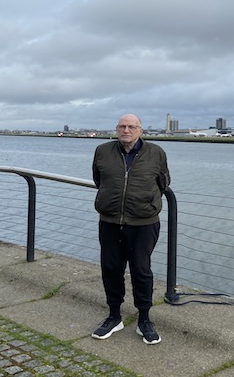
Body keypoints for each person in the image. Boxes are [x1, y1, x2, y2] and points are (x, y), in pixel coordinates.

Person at [90, 113, 170, 344]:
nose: (127, 130)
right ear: (116, 129)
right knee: (111, 268)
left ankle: (144, 319)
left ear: (140, 130)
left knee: (141, 271)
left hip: (144, 223)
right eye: (122, 126)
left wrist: (144, 202)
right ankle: (114, 316)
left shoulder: (156, 153)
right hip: (110, 221)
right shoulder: (102, 151)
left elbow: (163, 182)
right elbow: (99, 179)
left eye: (132, 126)